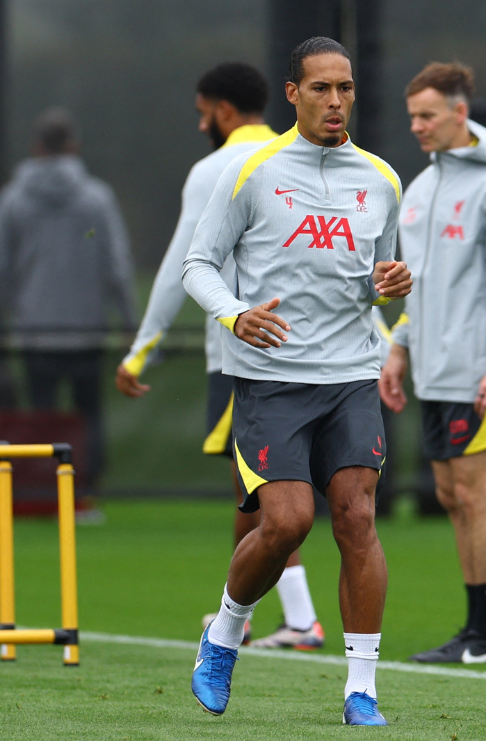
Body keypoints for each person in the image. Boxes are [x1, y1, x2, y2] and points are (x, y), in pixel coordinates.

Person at [182, 36, 411, 725]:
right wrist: (235, 315)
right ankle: (224, 636)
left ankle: (362, 688)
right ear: (292, 94)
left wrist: (387, 286)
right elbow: (199, 265)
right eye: (321, 89)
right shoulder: (250, 169)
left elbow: (376, 281)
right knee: (285, 523)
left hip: (350, 375)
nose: (336, 101)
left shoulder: (380, 179)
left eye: (345, 88)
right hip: (270, 379)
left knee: (357, 517)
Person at [115, 62, 332, 650]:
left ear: (222, 111)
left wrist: (142, 349)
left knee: (265, 490)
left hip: (243, 353)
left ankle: (288, 616)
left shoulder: (216, 168)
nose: (201, 124)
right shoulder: (314, 159)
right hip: (324, 355)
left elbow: (180, 267)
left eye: (201, 113)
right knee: (263, 490)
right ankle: (281, 614)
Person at [379, 62, 486, 664]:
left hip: (480, 368)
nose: (417, 127)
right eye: (412, 117)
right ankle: (474, 629)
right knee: (450, 494)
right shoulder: (420, 191)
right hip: (433, 369)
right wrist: (399, 348)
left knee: (477, 492)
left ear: (459, 113)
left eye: (427, 115)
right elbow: (416, 287)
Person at [0, 108, 136, 489]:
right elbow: (116, 265)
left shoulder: (12, 198)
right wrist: (129, 323)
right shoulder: (96, 197)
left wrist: (15, 308)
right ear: (74, 147)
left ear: (36, 148)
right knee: (88, 415)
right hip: (86, 325)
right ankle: (85, 488)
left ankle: (42, 487)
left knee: (40, 415)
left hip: (36, 326)